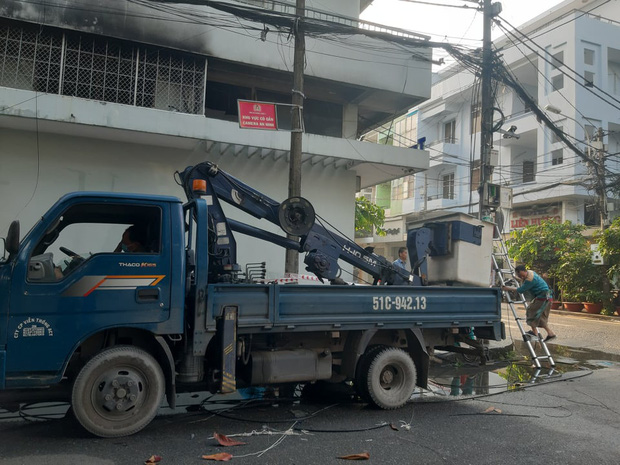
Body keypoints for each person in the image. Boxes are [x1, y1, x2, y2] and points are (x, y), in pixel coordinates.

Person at [502, 265, 557, 342]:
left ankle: (535, 334)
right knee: (540, 317)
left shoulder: (530, 280)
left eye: (522, 275)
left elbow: (521, 290)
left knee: (531, 312)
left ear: (525, 271)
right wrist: (518, 278)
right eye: (519, 275)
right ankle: (551, 334)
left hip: (543, 298)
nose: (521, 277)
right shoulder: (531, 272)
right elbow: (525, 280)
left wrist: (507, 288)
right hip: (547, 298)